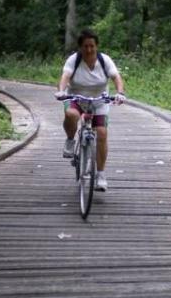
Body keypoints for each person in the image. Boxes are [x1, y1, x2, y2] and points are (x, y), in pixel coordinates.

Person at [54, 29, 126, 191]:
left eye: (92, 46)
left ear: (96, 46)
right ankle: (70, 139)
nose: (89, 50)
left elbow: (116, 77)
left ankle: (100, 175)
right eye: (85, 46)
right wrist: (61, 91)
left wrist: (120, 93)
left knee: (101, 133)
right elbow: (65, 76)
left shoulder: (104, 60)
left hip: (99, 100)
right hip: (76, 98)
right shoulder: (74, 60)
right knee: (71, 114)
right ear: (80, 47)